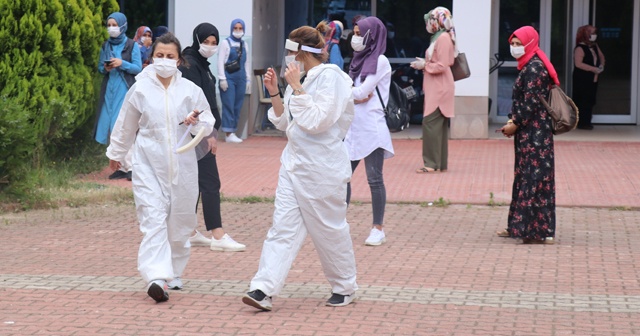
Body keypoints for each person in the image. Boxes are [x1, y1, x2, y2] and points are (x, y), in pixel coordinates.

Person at [242, 24, 357, 311]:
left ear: (304, 53)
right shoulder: (302, 79)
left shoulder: (334, 78)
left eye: (290, 52)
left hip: (323, 169)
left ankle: (345, 285)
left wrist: (296, 87)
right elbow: (285, 123)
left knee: (329, 230)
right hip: (293, 164)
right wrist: (276, 93)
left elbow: (318, 121)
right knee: (281, 228)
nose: (287, 58)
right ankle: (263, 288)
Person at [106, 32, 215, 302]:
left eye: (170, 56)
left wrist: (194, 122)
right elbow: (126, 122)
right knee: (153, 219)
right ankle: (156, 277)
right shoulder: (140, 89)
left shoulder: (191, 91)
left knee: (180, 220)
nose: (164, 60)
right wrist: (117, 151)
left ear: (179, 61)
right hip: (148, 163)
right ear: (151, 58)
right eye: (159, 55)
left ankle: (174, 272)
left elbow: (207, 122)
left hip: (183, 164)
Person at [179, 23, 246, 254]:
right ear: (197, 40)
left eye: (214, 42)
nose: (210, 46)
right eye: (206, 41)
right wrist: (207, 134)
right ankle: (217, 234)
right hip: (196, 132)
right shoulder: (189, 64)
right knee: (209, 183)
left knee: (194, 183)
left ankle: (188, 232)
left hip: (199, 131)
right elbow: (195, 103)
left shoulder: (200, 64)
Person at [496, 26, 557, 245]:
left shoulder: (534, 68)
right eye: (512, 44)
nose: (515, 48)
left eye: (518, 44)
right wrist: (515, 122)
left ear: (529, 43)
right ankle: (520, 227)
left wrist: (515, 122)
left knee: (533, 178)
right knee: (526, 177)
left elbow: (531, 101)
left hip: (535, 135)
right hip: (530, 133)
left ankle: (535, 230)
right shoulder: (528, 65)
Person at [344, 16, 394, 246]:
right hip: (353, 127)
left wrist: (348, 94)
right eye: (353, 32)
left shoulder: (380, 61)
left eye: (358, 33)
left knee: (374, 179)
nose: (355, 38)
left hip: (372, 127)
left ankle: (378, 228)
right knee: (341, 176)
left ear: (371, 35)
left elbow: (362, 90)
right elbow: (356, 94)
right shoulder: (358, 59)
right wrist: (353, 96)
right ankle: (337, 222)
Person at [95, 12, 142, 180]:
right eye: (109, 25)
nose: (111, 28)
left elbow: (138, 68)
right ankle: (120, 166)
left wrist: (122, 63)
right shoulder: (105, 45)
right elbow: (100, 67)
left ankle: (131, 166)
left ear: (122, 26)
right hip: (109, 90)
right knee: (109, 126)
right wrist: (106, 68)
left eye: (115, 25)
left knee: (123, 126)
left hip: (124, 89)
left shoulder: (131, 45)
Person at [411, 6, 455, 174]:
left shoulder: (442, 38)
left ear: (438, 21)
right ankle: (439, 163)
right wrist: (425, 63)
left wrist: (425, 65)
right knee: (438, 126)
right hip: (437, 86)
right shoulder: (440, 37)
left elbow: (442, 65)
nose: (428, 24)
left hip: (440, 87)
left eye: (430, 20)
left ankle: (431, 163)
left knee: (430, 124)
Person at [217, 18, 251, 143]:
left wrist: (248, 80)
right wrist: (222, 79)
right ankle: (228, 133)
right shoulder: (225, 43)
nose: (238, 30)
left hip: (241, 78)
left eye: (240, 28)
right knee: (229, 105)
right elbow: (220, 61)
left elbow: (246, 63)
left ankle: (233, 131)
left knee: (237, 106)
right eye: (235, 28)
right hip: (229, 78)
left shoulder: (244, 44)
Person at [572, 25, 605, 130]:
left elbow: (601, 56)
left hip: (593, 78)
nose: (593, 35)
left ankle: (587, 121)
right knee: (582, 99)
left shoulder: (594, 46)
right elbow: (578, 64)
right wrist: (593, 68)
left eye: (594, 33)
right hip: (582, 78)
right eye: (591, 33)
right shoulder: (580, 48)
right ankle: (582, 122)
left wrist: (601, 65)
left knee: (590, 99)